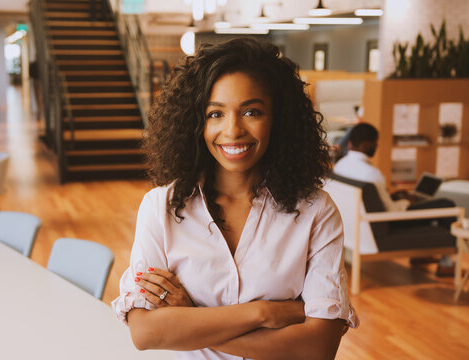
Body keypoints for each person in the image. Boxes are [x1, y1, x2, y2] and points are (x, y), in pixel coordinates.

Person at [111, 38, 357, 359]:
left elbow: (318, 348)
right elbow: (145, 333)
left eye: (251, 111)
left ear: (278, 119)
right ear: (195, 122)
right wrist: (264, 313)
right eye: (215, 113)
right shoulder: (161, 207)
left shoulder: (316, 211)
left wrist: (191, 318)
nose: (232, 130)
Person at [334, 123, 456, 275]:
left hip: (354, 225)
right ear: (366, 145)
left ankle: (423, 255)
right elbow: (390, 210)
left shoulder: (339, 166)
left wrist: (396, 197)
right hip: (385, 224)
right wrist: (406, 202)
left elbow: (373, 200)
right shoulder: (372, 173)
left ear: (350, 143)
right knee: (447, 205)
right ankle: (447, 264)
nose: (376, 146)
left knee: (421, 202)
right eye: (375, 143)